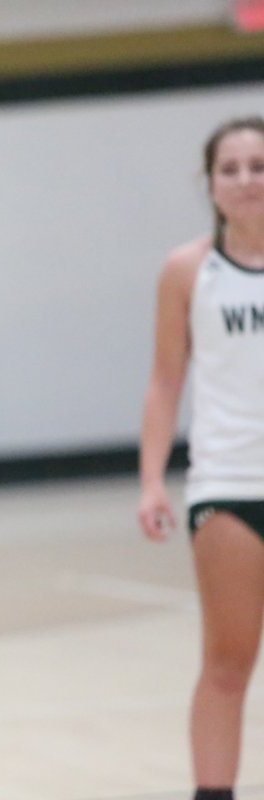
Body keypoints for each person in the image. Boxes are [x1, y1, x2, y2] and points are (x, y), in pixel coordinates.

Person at [138, 116, 264, 800]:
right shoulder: (189, 269)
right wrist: (152, 479)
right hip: (230, 482)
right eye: (232, 168)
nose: (247, 180)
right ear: (210, 183)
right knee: (227, 660)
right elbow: (166, 379)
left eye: (259, 165)